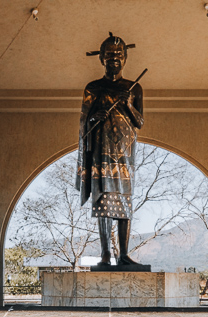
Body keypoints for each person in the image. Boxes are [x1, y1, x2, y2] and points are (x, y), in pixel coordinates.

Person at [76, 33, 145, 267]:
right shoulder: (93, 88)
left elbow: (140, 122)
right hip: (101, 152)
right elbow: (84, 123)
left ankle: (123, 254)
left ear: (125, 58)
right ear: (101, 59)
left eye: (119, 55)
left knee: (124, 202)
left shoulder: (134, 88)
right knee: (104, 200)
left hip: (125, 153)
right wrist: (95, 117)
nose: (114, 59)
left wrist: (126, 103)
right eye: (109, 55)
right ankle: (106, 254)